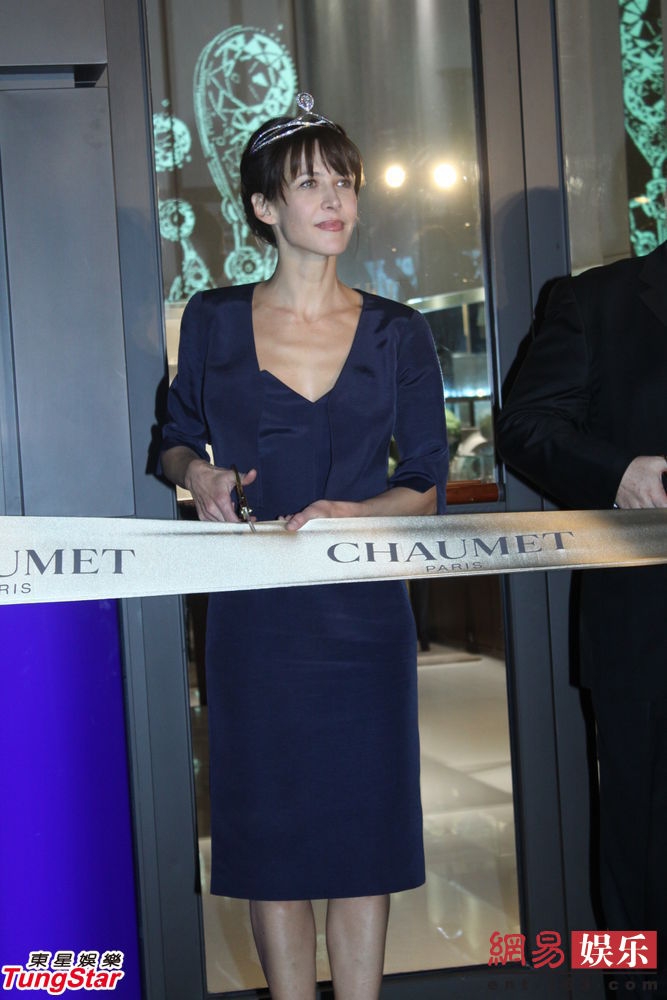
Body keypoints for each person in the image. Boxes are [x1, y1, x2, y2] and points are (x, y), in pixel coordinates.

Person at [159, 93, 448, 1000]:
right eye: (310, 184)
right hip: (254, 616)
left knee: (364, 832)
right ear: (262, 206)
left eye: (345, 184)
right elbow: (172, 437)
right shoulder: (212, 318)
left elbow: (426, 479)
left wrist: (357, 512)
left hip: (364, 616)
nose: (335, 201)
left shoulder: (398, 329)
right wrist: (199, 476)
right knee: (270, 835)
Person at [496, 240, 667, 991]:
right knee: (638, 853)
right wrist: (617, 473)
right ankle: (629, 985)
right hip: (646, 634)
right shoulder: (597, 299)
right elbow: (525, 427)